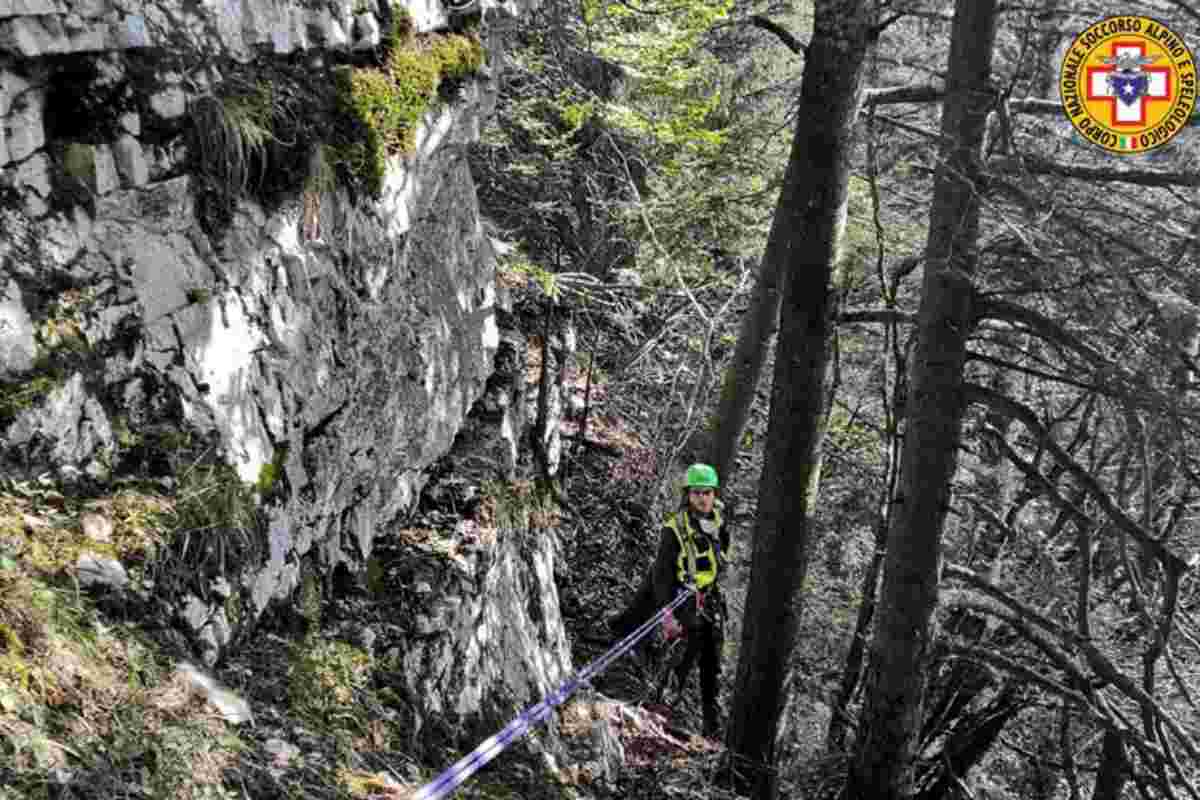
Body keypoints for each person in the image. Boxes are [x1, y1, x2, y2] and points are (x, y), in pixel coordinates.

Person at [610, 463, 730, 738]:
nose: (703, 498)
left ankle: (712, 728)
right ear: (688, 495)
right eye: (697, 493)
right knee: (686, 652)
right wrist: (667, 612)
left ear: (714, 494)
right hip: (681, 596)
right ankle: (658, 712)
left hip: (709, 597)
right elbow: (661, 574)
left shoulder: (720, 523)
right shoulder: (674, 528)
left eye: (708, 492)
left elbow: (719, 558)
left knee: (714, 662)